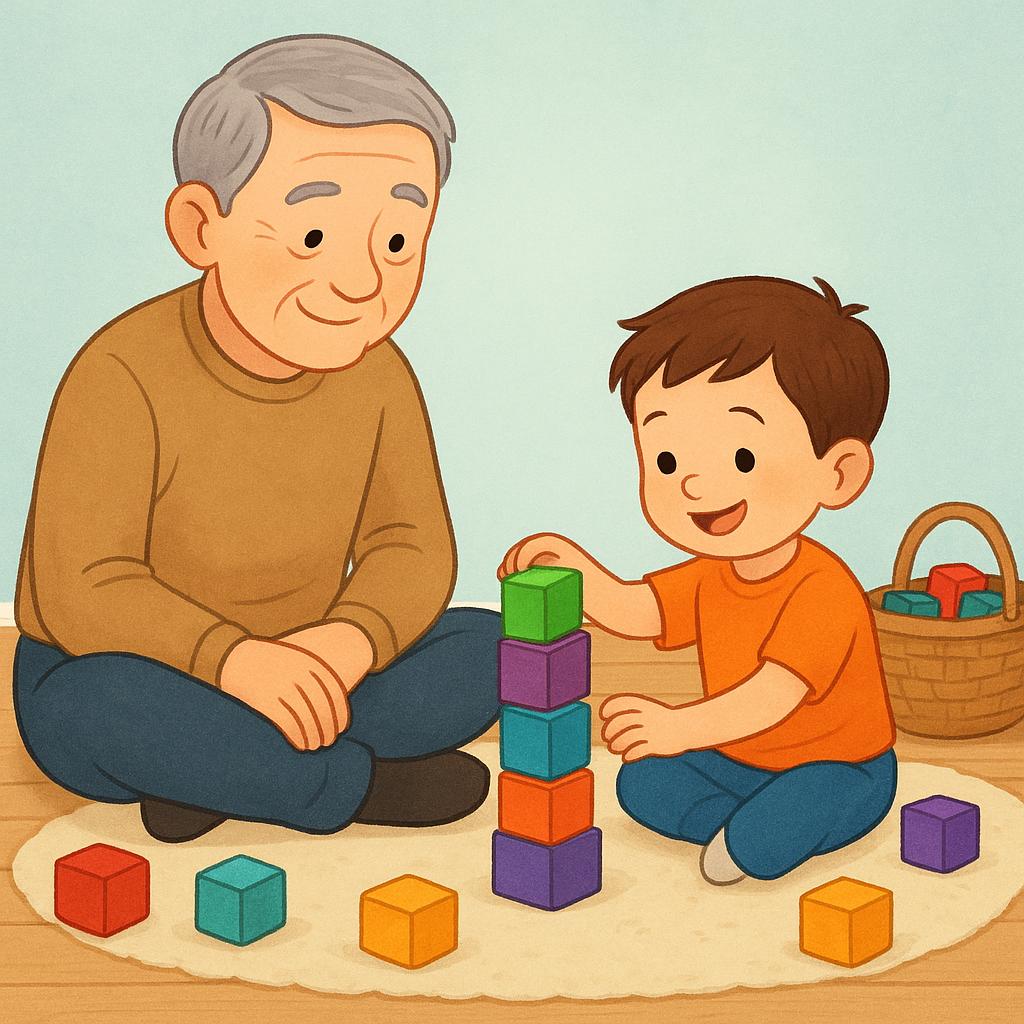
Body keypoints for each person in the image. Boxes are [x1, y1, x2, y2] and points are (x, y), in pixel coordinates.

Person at [14, 35, 499, 844]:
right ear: (202, 226)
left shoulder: (379, 376)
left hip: (320, 659)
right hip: (148, 668)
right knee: (85, 712)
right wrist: (233, 662)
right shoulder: (119, 370)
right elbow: (84, 587)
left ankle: (228, 772)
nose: (359, 283)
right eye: (314, 238)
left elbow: (411, 548)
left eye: (397, 244)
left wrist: (345, 643)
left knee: (492, 647)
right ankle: (342, 783)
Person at [500, 275, 897, 884]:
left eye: (741, 457)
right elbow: (639, 611)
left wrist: (678, 725)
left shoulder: (824, 590)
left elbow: (773, 695)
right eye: (666, 459)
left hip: (843, 764)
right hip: (737, 757)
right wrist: (577, 568)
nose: (692, 485)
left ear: (837, 473)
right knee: (641, 779)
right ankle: (746, 825)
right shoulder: (711, 576)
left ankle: (761, 832)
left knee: (803, 807)